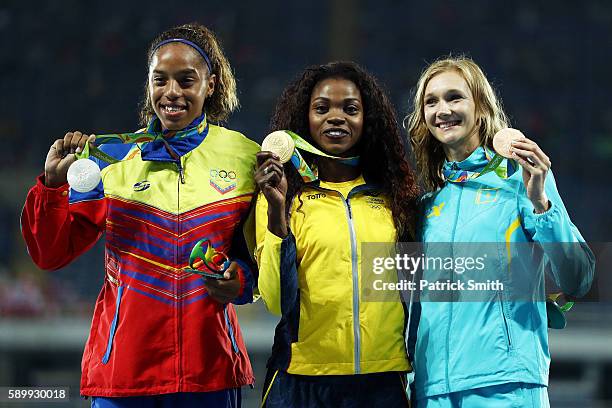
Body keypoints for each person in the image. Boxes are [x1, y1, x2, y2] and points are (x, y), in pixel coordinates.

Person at [21, 23, 259, 407]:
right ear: (148, 85)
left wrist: (242, 280)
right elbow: (51, 253)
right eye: (160, 80)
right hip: (124, 375)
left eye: (186, 80)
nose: (172, 93)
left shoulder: (245, 157)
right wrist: (51, 186)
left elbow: (259, 255)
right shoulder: (111, 160)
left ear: (210, 85)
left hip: (209, 372)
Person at [405, 56, 595, 407]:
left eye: (454, 97)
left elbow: (578, 278)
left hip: (505, 385)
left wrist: (540, 202)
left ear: (480, 106)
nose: (442, 109)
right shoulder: (428, 206)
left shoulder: (519, 179)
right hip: (431, 390)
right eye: (431, 102)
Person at [255, 61, 420, 407]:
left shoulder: (394, 199)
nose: (336, 117)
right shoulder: (284, 197)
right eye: (322, 108)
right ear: (305, 119)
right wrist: (275, 209)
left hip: (382, 379)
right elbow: (273, 299)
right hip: (302, 381)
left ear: (367, 120)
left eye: (350, 109)